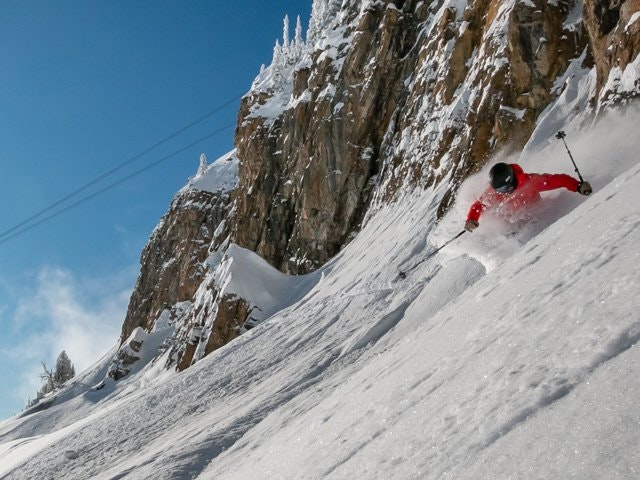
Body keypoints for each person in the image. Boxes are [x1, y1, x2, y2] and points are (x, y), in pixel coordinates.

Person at [465, 162, 592, 232]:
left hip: (536, 219)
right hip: (514, 222)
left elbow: (559, 180)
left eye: (503, 189)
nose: (501, 193)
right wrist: (472, 219)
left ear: (511, 181)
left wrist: (578, 186)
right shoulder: (497, 191)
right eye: (497, 190)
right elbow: (479, 204)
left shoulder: (531, 182)